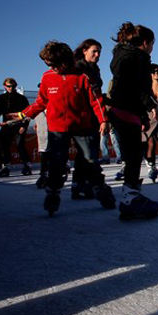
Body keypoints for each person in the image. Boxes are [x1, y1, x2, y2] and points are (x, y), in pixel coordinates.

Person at [10, 41, 115, 215]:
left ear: (65, 61)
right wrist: (23, 114)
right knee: (56, 164)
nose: (53, 68)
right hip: (57, 128)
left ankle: (101, 190)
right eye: (49, 65)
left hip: (82, 126)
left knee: (91, 162)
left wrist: (103, 120)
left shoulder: (82, 76)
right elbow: (41, 102)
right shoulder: (47, 77)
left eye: (54, 64)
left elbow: (96, 100)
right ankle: (52, 194)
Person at [107, 22, 158, 220]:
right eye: (152, 43)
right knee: (134, 153)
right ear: (145, 42)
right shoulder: (133, 59)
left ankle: (131, 195)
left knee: (135, 152)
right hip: (125, 109)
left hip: (126, 109)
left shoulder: (126, 56)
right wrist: (148, 105)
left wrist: (143, 113)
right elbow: (134, 87)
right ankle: (129, 198)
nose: (153, 48)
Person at [70, 38, 105, 199]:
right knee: (86, 153)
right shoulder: (79, 68)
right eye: (94, 51)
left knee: (88, 152)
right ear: (84, 51)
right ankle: (82, 183)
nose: (97, 55)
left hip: (93, 115)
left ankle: (81, 183)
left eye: (99, 52)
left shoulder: (94, 68)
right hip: (83, 116)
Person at [0, 77, 32, 177]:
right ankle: (6, 166)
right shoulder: (1, 98)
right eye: (8, 86)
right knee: (4, 146)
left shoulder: (22, 98)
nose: (11, 88)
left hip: (19, 125)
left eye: (13, 86)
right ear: (5, 86)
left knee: (20, 145)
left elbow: (27, 114)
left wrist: (24, 126)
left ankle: (27, 165)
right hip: (6, 126)